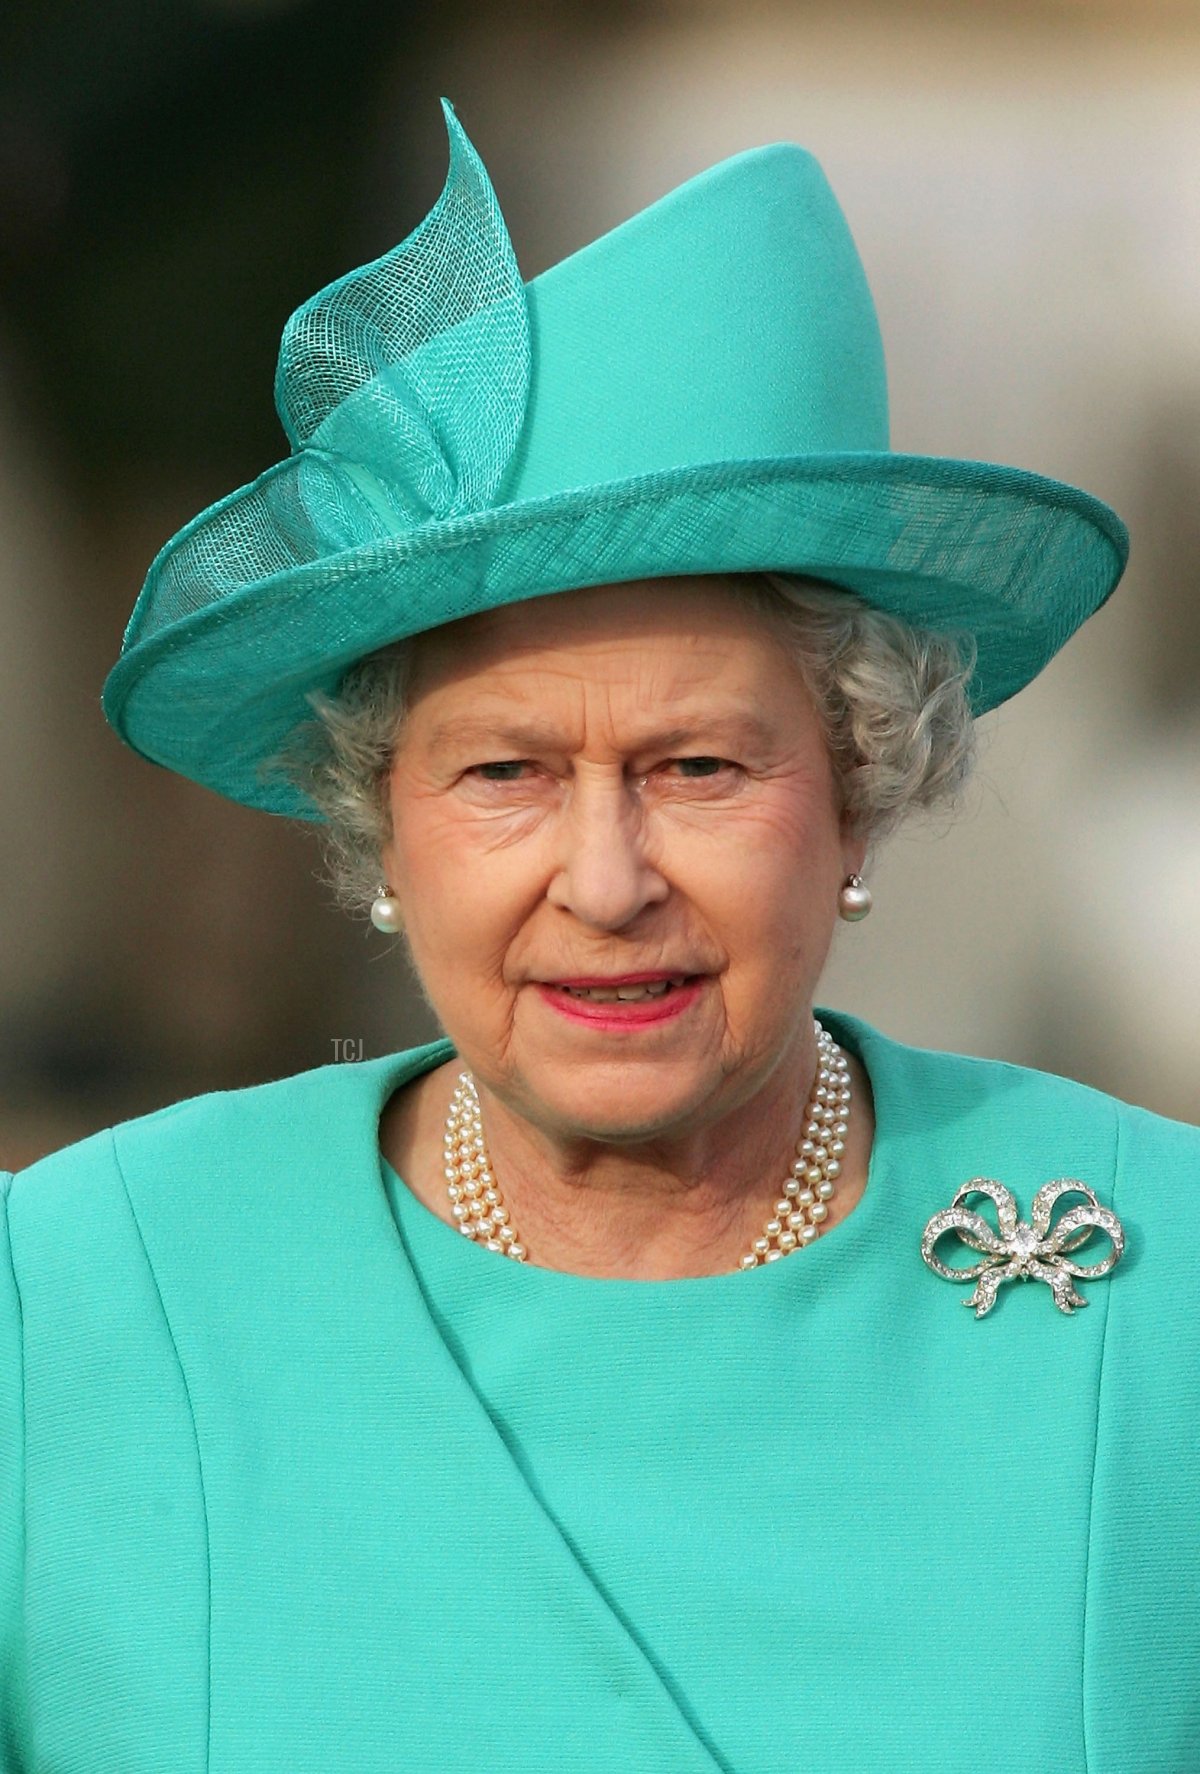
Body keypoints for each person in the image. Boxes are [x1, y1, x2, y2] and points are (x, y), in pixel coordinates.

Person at [2, 99, 1197, 1774]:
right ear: (383, 827)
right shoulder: (68, 1305)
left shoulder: (1166, 1290)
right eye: (504, 774)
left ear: (859, 792)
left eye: (697, 768)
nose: (607, 876)